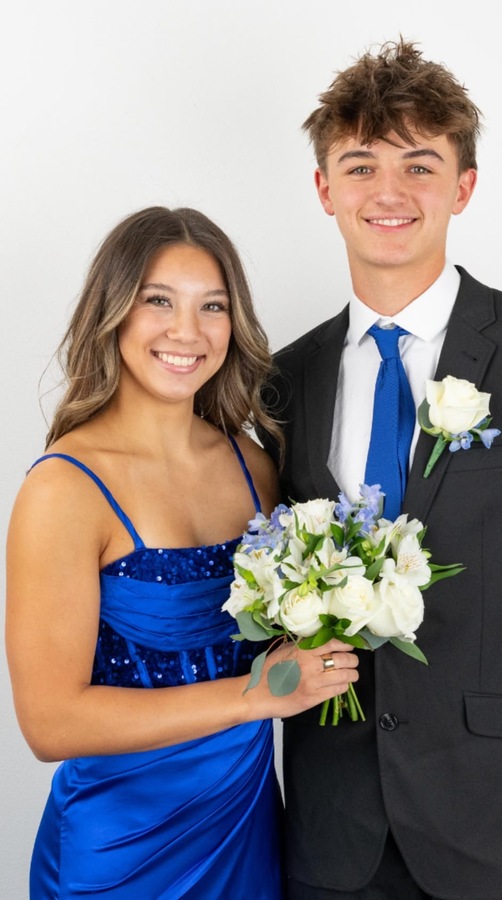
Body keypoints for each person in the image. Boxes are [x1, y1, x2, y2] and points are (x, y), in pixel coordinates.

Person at [257, 39, 502, 900]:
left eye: (419, 164)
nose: (388, 193)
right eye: (359, 166)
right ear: (324, 189)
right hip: (328, 841)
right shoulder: (283, 378)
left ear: (463, 186)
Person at [5, 206, 359, 898]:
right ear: (114, 314)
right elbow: (50, 723)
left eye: (213, 306)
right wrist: (256, 695)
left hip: (245, 832)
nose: (186, 331)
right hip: (119, 852)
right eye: (158, 301)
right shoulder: (65, 488)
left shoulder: (255, 467)